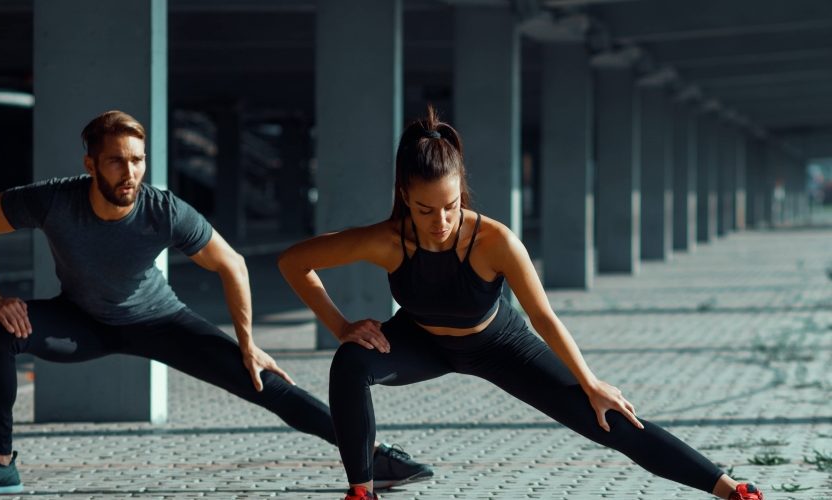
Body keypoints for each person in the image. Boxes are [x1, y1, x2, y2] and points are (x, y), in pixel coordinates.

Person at [0, 110, 432, 498]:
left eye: (137, 159)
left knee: (262, 381)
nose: (129, 172)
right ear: (90, 163)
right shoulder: (54, 201)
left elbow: (232, 264)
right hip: (81, 320)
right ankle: (0, 467)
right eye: (115, 160)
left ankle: (372, 455)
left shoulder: (162, 209)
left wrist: (248, 344)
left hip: (160, 320)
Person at [277, 106, 765, 500]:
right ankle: (361, 491)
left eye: (450, 206)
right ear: (405, 196)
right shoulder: (386, 240)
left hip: (497, 343)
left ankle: (729, 488)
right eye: (425, 210)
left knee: (606, 417)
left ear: (461, 192)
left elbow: (544, 317)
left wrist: (590, 381)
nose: (440, 221)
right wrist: (340, 325)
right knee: (349, 364)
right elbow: (294, 262)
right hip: (422, 340)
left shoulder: (495, 241)